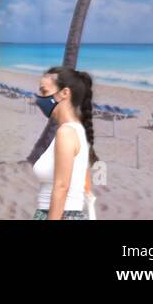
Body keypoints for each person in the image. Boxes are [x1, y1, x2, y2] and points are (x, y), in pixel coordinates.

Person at [31, 65, 95, 220]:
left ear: (65, 93)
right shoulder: (76, 130)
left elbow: (61, 187)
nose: (39, 98)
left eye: (44, 92)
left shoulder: (66, 133)